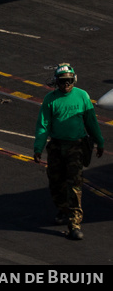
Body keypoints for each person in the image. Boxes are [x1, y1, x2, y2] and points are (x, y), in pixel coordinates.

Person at [33, 63, 104, 240]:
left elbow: (91, 121)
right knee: (55, 182)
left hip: (76, 147)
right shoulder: (50, 100)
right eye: (63, 81)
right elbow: (43, 126)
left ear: (74, 80)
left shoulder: (82, 96)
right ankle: (63, 209)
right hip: (56, 147)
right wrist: (38, 148)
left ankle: (74, 224)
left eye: (69, 81)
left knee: (74, 185)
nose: (66, 84)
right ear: (57, 82)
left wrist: (99, 141)